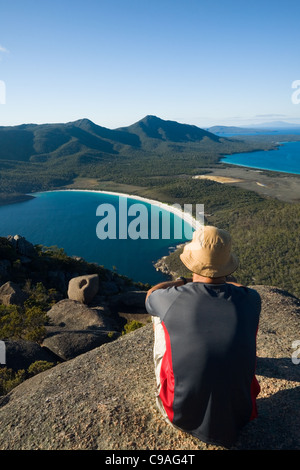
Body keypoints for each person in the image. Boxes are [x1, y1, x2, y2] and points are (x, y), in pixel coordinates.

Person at [145, 225, 261, 448]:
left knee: (159, 318)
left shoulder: (171, 299)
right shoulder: (252, 299)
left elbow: (151, 296)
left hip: (180, 416)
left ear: (192, 261)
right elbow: (239, 287)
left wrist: (182, 281)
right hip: (242, 413)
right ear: (227, 264)